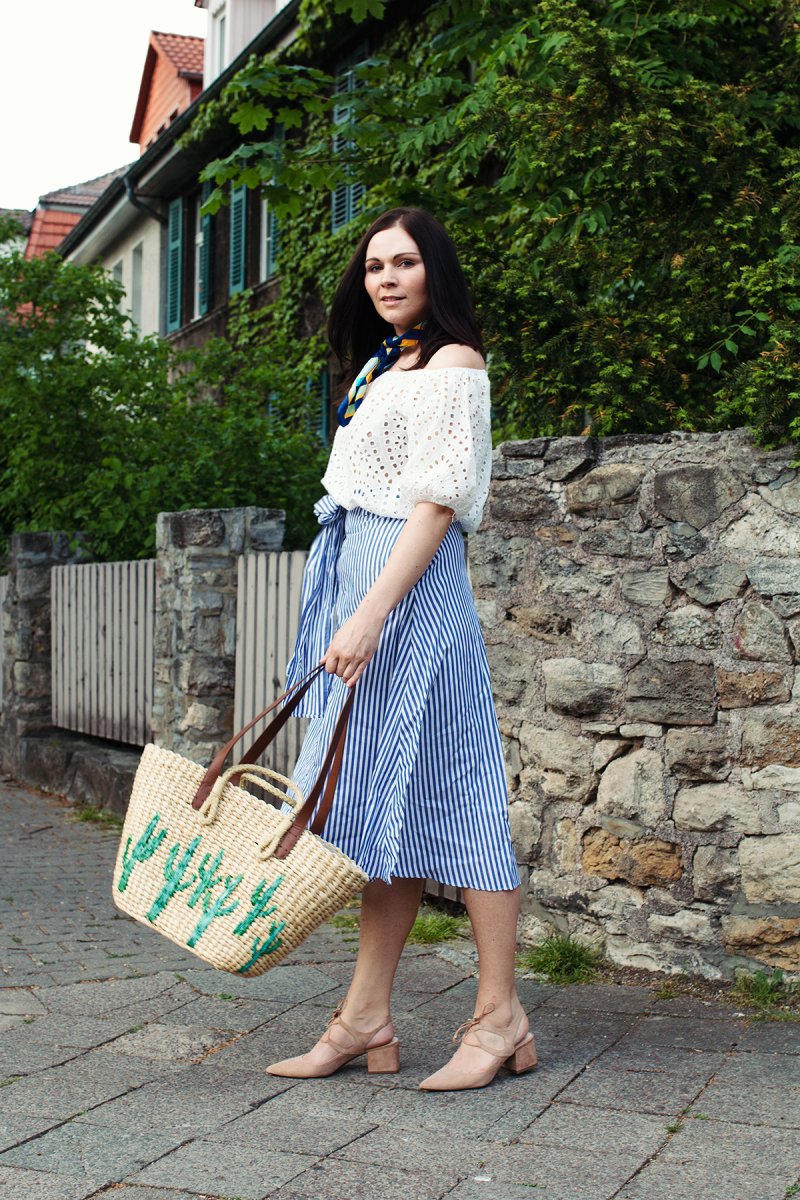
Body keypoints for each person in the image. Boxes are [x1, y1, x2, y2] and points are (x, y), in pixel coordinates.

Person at [266, 207, 536, 1092]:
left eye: (406, 262)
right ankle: (364, 1018)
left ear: (436, 273)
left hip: (409, 597)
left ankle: (499, 1015)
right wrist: (347, 607)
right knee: (381, 809)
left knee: (461, 793)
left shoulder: (454, 364)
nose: (386, 278)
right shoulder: (385, 364)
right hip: (365, 588)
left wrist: (371, 612)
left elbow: (437, 504)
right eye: (375, 265)